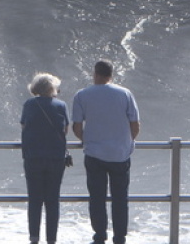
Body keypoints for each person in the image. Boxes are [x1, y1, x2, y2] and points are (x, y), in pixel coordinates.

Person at [72, 59, 139, 244]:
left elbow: (77, 127)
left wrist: (88, 141)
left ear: (95, 74)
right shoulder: (125, 94)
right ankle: (119, 238)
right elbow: (135, 124)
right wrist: (128, 142)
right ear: (111, 74)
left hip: (94, 154)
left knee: (97, 198)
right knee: (120, 198)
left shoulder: (82, 95)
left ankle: (100, 236)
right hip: (120, 154)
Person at [20, 72, 70, 244]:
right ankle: (51, 240)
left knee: (34, 200)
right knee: (52, 200)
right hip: (56, 158)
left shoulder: (29, 104)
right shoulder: (61, 105)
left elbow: (24, 125)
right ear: (51, 88)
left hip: (33, 156)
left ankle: (34, 239)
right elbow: (65, 130)